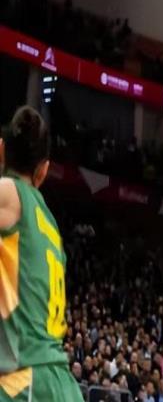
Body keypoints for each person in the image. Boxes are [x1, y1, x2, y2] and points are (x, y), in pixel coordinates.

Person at [0, 106, 84, 401]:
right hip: (61, 384)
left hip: (24, 382)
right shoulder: (50, 225)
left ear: (2, 150)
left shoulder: (9, 193)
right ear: (44, 170)